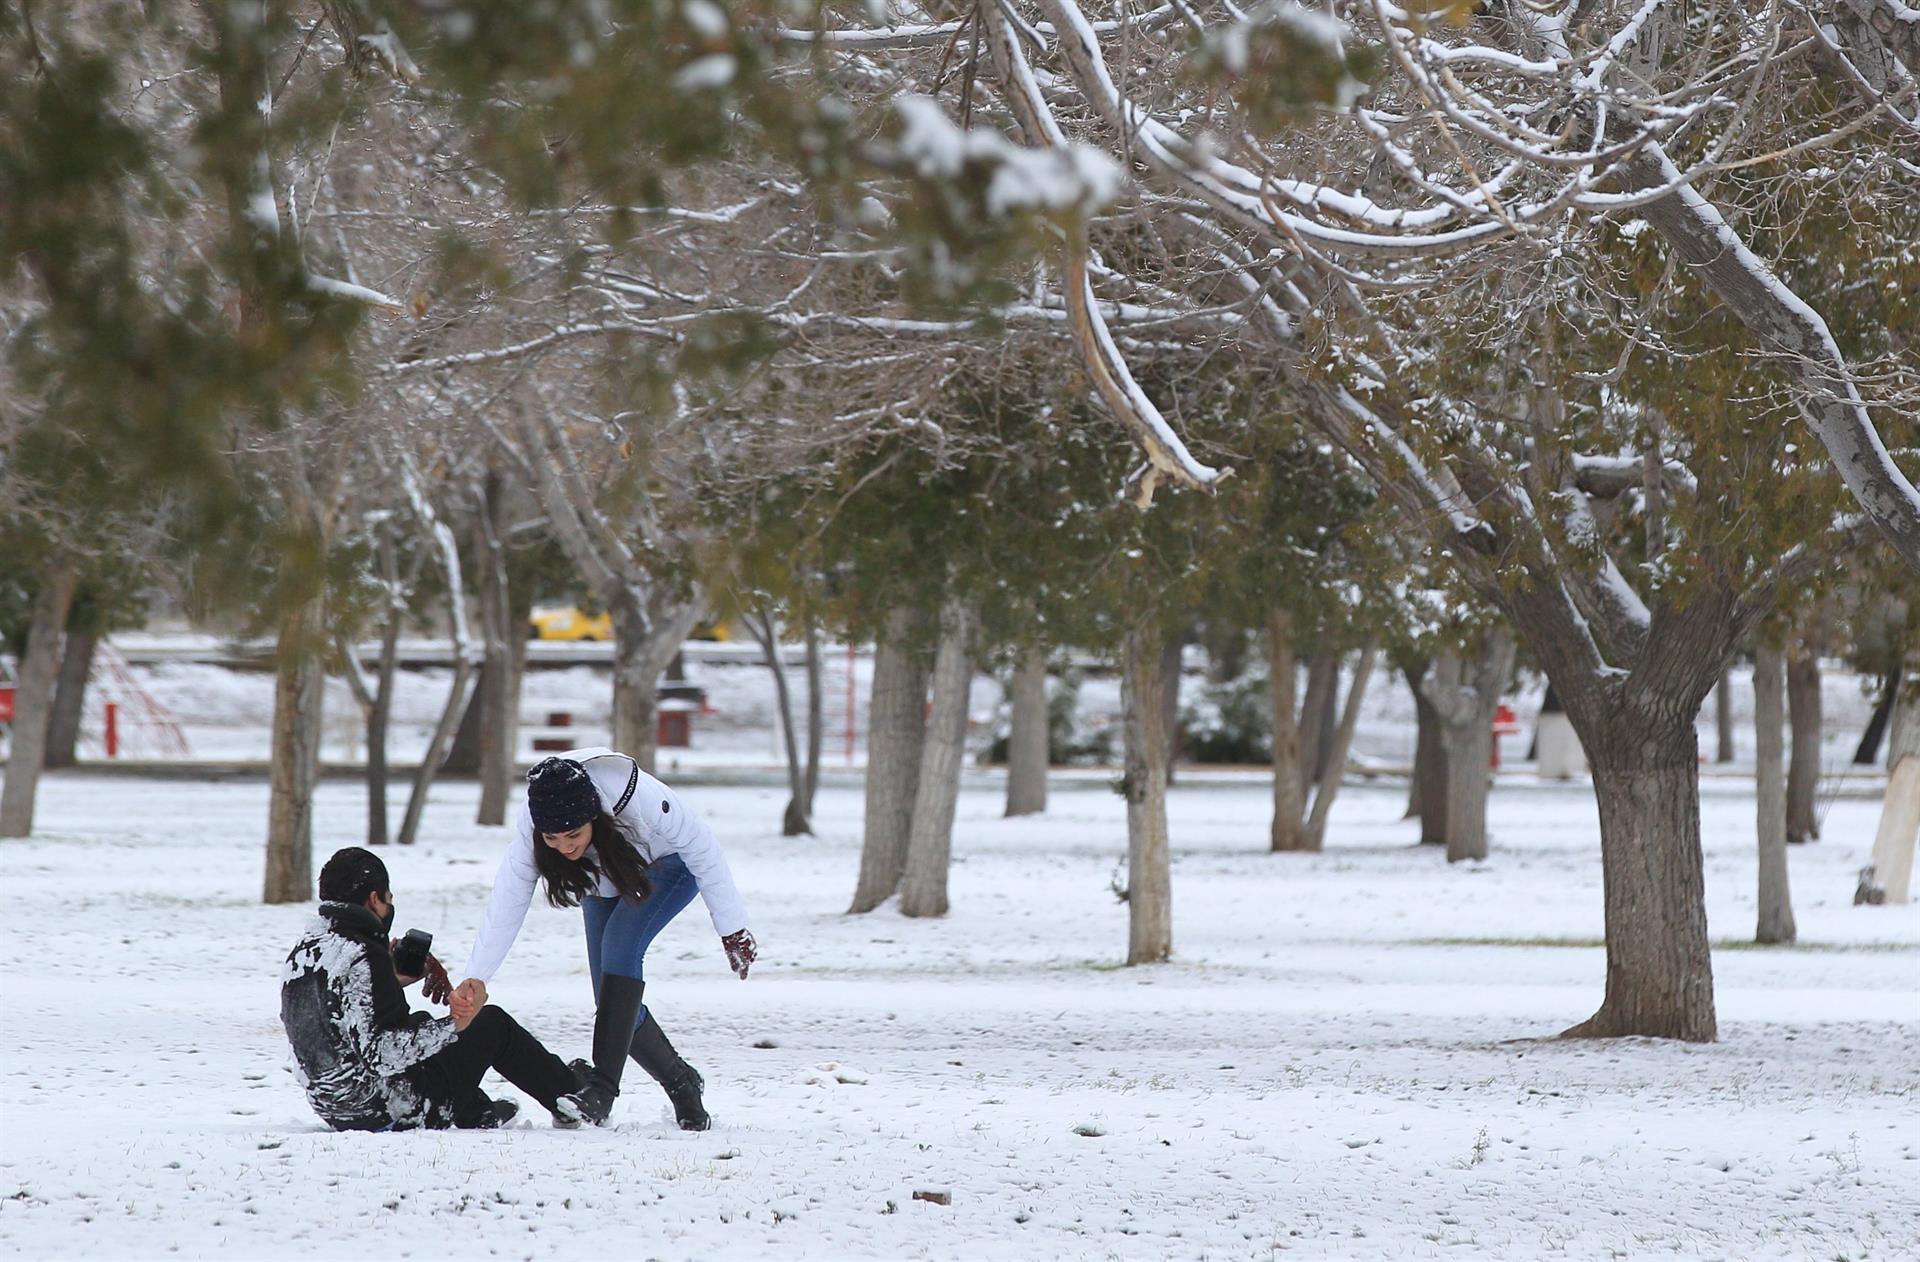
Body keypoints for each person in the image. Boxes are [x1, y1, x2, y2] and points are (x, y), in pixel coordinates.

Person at [458, 748, 758, 1129]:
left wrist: (732, 928)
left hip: (673, 864)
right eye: (552, 838)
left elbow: (702, 846)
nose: (564, 847)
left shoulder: (636, 796)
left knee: (620, 949)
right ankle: (683, 1083)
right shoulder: (533, 821)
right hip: (605, 875)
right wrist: (478, 974)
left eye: (573, 834)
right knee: (613, 999)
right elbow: (509, 896)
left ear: (594, 818)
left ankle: (602, 1090)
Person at [281, 846, 585, 1131]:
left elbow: (334, 1026)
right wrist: (456, 1023)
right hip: (387, 1109)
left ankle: (480, 1113)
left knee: (421, 1028)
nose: (389, 907)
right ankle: (573, 1097)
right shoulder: (363, 955)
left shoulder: (305, 952)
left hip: (334, 1107)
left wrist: (390, 981)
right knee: (491, 1024)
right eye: (388, 899)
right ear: (374, 900)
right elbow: (381, 1054)